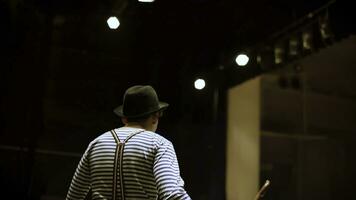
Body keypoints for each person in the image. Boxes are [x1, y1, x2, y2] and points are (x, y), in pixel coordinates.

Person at [66, 85, 191, 200]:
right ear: (155, 117)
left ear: (124, 118)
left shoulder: (96, 144)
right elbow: (172, 194)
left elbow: (74, 196)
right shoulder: (160, 144)